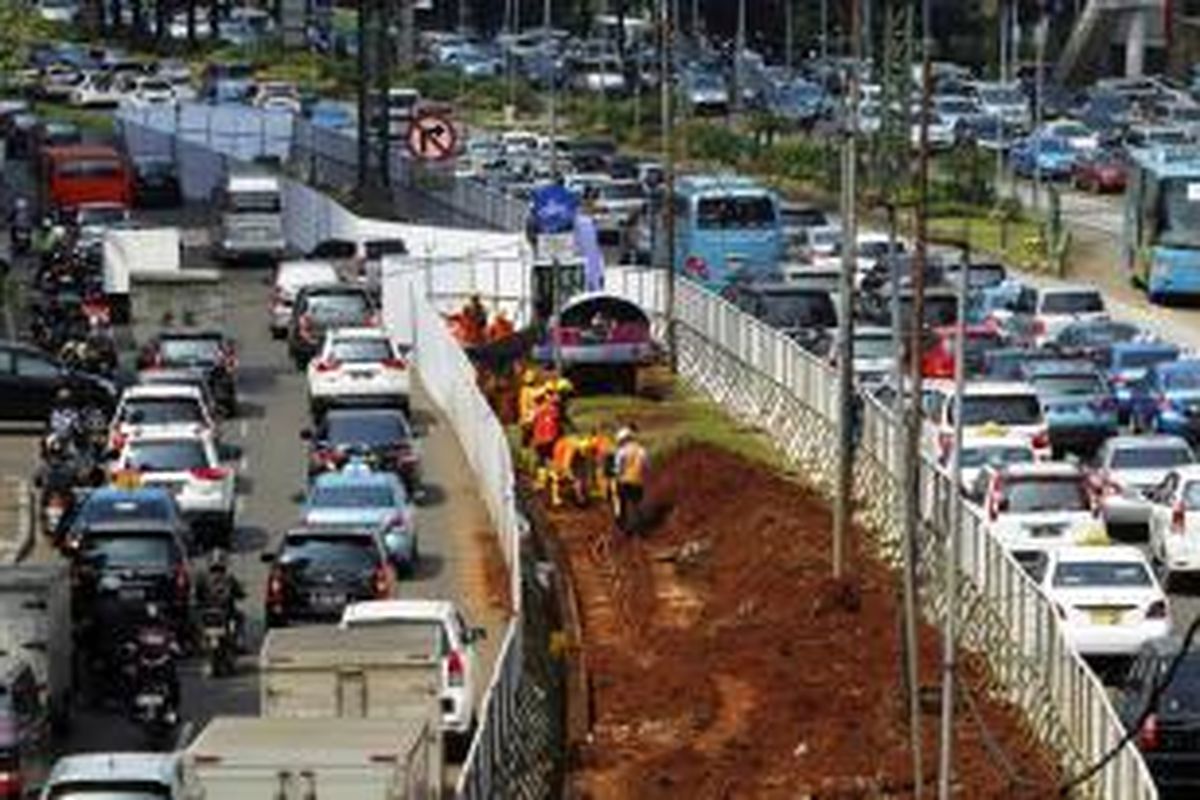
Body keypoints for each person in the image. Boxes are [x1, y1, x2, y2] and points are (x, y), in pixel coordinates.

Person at [195, 549, 246, 650]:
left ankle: (201, 640)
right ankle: (239, 641)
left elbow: (197, 594)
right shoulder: (228, 577)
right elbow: (239, 592)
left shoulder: (203, 577)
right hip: (223, 611)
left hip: (209, 611)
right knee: (240, 617)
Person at [612, 425, 648, 535]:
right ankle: (640, 528)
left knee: (622, 504)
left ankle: (623, 528)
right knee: (636, 505)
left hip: (623, 481)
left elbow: (618, 468)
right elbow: (647, 466)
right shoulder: (642, 450)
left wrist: (615, 473)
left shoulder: (621, 452)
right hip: (638, 481)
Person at [530, 386, 561, 489]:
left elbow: (530, 420)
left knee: (543, 460)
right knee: (546, 459)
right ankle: (549, 480)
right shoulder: (553, 408)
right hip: (548, 437)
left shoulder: (542, 409)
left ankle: (545, 481)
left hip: (543, 437)